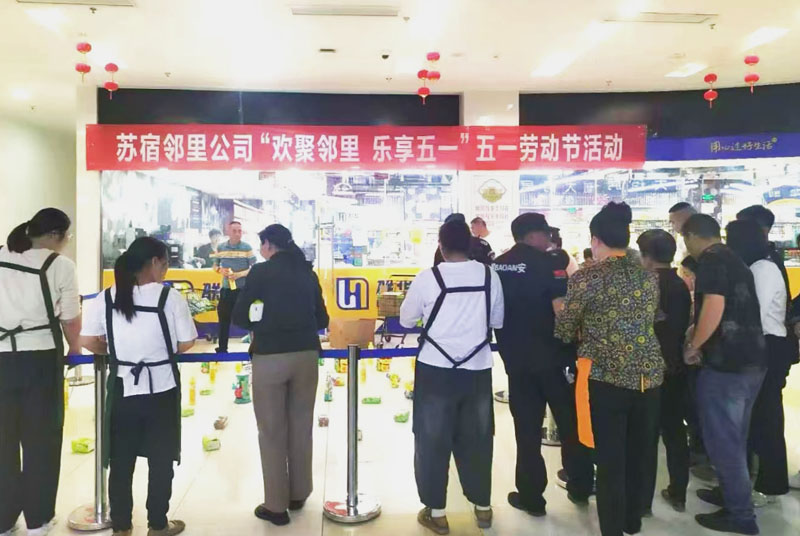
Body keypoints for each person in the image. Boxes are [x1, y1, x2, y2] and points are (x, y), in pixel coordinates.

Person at [555, 202, 662, 536]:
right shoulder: (648, 275)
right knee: (639, 453)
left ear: (596, 240)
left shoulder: (587, 277)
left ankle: (612, 528)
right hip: (648, 376)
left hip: (606, 378)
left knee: (610, 460)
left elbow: (565, 328)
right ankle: (632, 521)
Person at [81, 237, 197, 536]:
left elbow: (88, 340)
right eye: (165, 264)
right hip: (162, 389)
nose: (166, 270)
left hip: (122, 388)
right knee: (161, 460)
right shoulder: (169, 297)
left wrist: (116, 350)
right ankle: (158, 524)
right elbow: (186, 342)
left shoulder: (107, 297)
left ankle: (121, 526)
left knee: (121, 461)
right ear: (155, 262)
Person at [400, 219, 504, 534]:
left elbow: (406, 320)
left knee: (432, 439)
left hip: (435, 370)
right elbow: (497, 320)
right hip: (477, 369)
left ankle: (437, 512)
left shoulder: (428, 278)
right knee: (478, 438)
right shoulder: (490, 276)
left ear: (441, 246)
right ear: (470, 245)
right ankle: (483, 508)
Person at [494, 213, 593, 516]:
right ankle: (580, 486)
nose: (550, 239)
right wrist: (576, 341)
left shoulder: (497, 265)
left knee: (526, 432)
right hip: (555, 361)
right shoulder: (550, 264)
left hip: (517, 363)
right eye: (546, 234)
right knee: (570, 426)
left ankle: (532, 498)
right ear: (532, 235)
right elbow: (561, 311)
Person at [232, 224, 329, 527]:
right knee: (301, 425)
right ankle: (299, 493)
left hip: (270, 357)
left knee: (272, 431)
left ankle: (276, 506)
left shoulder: (260, 273)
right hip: (306, 356)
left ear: (268, 245)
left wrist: (262, 319)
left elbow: (240, 315)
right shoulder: (307, 273)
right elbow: (322, 318)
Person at [681, 214, 766, 535]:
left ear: (692, 236)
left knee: (723, 441)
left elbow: (714, 307)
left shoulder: (711, 261)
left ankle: (741, 516)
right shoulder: (734, 259)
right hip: (752, 360)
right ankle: (731, 494)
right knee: (736, 437)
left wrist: (694, 345)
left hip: (726, 364)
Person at [0, 209, 81, 536]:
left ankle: (3, 520)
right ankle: (38, 519)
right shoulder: (61, 266)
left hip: (1, 358)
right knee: (42, 440)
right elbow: (70, 319)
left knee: (2, 440)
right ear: (55, 235)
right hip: (41, 359)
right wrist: (75, 349)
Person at [726, 220, 793, 505]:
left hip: (769, 348)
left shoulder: (763, 269)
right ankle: (754, 482)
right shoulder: (757, 266)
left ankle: (770, 485)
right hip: (763, 345)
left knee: (766, 418)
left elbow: (756, 313)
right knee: (758, 417)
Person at [637, 230, 692, 514]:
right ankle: (678, 492)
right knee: (674, 431)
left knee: (645, 435)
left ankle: (642, 503)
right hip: (675, 366)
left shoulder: (643, 284)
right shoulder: (680, 284)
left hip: (647, 368)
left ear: (646, 257)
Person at [213, 221, 256, 353]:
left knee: (251, 318)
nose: (237, 234)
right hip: (226, 289)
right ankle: (222, 348)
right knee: (223, 319)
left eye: (239, 231)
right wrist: (221, 270)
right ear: (228, 232)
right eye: (234, 231)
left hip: (243, 290)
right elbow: (215, 266)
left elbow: (254, 267)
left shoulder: (247, 248)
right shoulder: (221, 247)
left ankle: (255, 347)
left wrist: (239, 275)